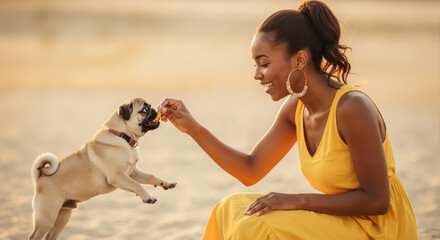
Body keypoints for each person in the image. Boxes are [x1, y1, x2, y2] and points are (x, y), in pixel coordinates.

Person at [158, 0, 417, 239]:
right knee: (230, 208)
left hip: (378, 229)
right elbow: (250, 170)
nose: (257, 75)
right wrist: (193, 128)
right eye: (255, 65)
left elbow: (377, 201)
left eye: (264, 63)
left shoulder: (352, 108)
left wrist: (296, 200)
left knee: (256, 225)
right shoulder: (295, 108)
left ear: (299, 60)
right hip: (342, 221)